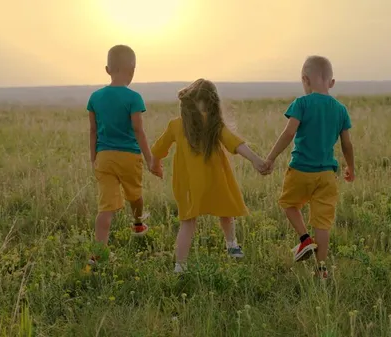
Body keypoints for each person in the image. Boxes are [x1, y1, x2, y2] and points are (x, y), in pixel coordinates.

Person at [150, 79, 266, 273]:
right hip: (215, 180)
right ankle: (232, 245)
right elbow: (237, 144)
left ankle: (180, 265)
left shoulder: (177, 125)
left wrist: (155, 165)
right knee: (226, 213)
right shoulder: (214, 124)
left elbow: (158, 149)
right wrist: (255, 160)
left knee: (188, 222)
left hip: (188, 184)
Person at [263, 56, 355, 278]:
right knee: (322, 223)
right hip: (327, 175)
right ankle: (321, 269)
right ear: (331, 83)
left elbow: (289, 133)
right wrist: (351, 167)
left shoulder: (301, 104)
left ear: (305, 80)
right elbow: (347, 143)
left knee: (288, 204)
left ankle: (304, 239)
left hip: (301, 170)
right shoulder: (340, 109)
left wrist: (271, 157)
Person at [87, 45, 154, 264]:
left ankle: (98, 254)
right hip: (129, 156)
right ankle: (137, 223)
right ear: (132, 69)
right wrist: (149, 157)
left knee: (105, 207)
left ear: (107, 69)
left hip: (104, 156)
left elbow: (93, 130)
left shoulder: (95, 97)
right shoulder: (134, 98)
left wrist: (93, 156)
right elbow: (138, 130)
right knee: (135, 195)